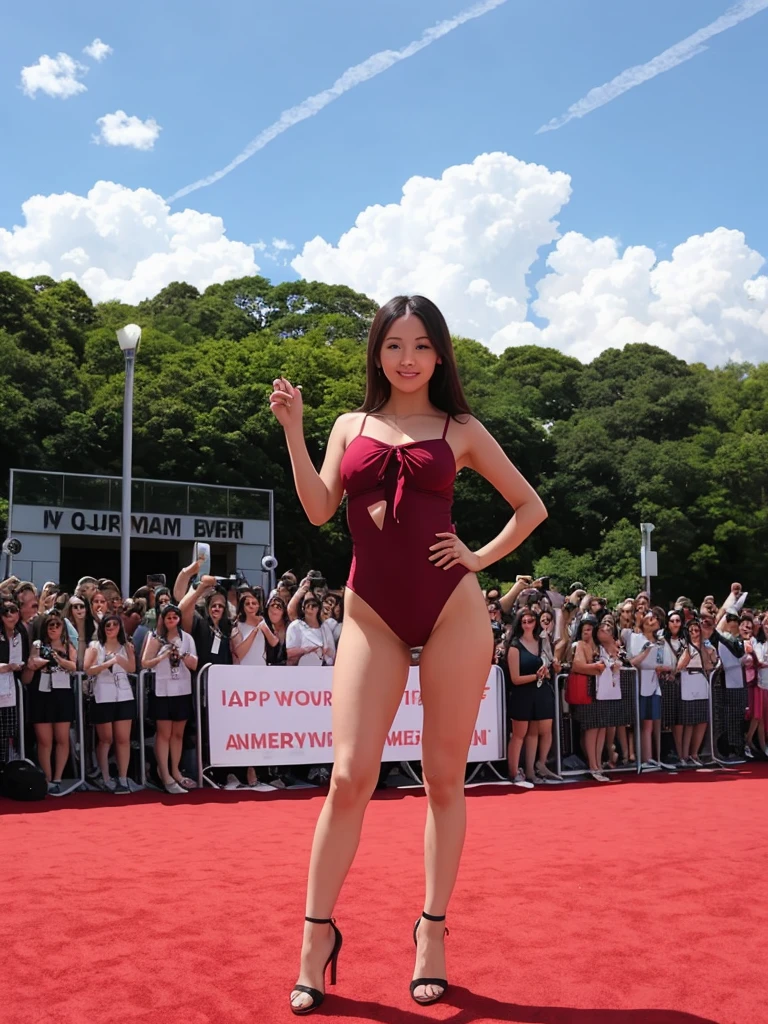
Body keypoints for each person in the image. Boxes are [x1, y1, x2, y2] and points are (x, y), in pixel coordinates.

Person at [270, 294, 546, 1013]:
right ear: (377, 353)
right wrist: (296, 434)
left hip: (453, 608)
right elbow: (320, 509)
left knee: (443, 779)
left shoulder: (461, 427)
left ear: (440, 354)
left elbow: (531, 506)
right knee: (349, 776)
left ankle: (432, 930)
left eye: (422, 345)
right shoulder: (348, 424)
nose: (408, 358)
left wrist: (478, 555)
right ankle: (315, 938)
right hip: (370, 613)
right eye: (394, 344)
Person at [142, 604, 198, 794]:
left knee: (178, 734)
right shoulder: (155, 637)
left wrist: (181, 655)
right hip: (162, 690)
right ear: (162, 619)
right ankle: (164, 774)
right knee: (164, 734)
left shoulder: (187, 638)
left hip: (182, 689)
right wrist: (163, 654)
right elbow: (145, 662)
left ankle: (175, 771)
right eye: (168, 617)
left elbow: (195, 664)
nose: (172, 620)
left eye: (175, 617)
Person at [22, 610, 78, 793]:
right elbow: (30, 669)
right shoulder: (38, 645)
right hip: (42, 694)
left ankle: (58, 777)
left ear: (63, 628)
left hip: (62, 694)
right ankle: (46, 777)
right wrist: (37, 662)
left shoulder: (68, 646)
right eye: (50, 625)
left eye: (57, 625)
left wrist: (56, 657)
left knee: (62, 738)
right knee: (44, 740)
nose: (53, 628)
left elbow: (73, 666)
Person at [504, 609, 558, 787]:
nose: (527, 624)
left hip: (540, 692)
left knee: (535, 733)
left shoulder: (542, 642)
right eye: (524, 621)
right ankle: (513, 772)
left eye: (530, 621)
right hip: (522, 694)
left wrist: (548, 672)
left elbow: (549, 664)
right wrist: (537, 676)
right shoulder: (514, 646)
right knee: (519, 735)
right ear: (519, 624)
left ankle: (531, 771)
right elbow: (515, 678)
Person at [83, 614, 137, 794]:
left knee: (123, 739)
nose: (111, 627)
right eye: (108, 624)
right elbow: (87, 669)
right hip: (102, 694)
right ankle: (105, 777)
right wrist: (107, 663)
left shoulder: (126, 646)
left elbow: (132, 668)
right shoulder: (95, 647)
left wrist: (119, 660)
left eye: (115, 624)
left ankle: (123, 777)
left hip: (123, 694)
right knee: (106, 739)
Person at [570, 615, 610, 782]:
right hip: (587, 690)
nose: (588, 631)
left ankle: (598, 764)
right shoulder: (580, 645)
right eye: (584, 628)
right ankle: (592, 765)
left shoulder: (601, 646)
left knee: (601, 727)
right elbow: (577, 665)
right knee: (591, 728)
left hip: (602, 690)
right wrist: (595, 668)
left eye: (591, 628)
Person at [675, 619, 716, 766]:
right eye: (691, 630)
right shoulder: (685, 646)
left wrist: (705, 651)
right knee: (689, 720)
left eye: (696, 630)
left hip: (701, 679)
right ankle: (684, 755)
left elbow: (711, 664)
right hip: (688, 679)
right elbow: (679, 666)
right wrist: (688, 653)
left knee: (702, 720)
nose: (694, 633)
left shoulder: (706, 645)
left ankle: (694, 753)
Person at [0, 598, 29, 762]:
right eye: (6, 613)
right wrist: (5, 666)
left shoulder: (21, 632)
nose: (11, 616)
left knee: (9, 731)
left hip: (13, 687)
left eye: (14, 611)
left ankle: (8, 765)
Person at [286, 594, 337, 667]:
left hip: (323, 669)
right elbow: (289, 653)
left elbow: (332, 654)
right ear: (303, 608)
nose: (310, 607)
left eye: (314, 605)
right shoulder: (295, 626)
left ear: (319, 609)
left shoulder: (325, 628)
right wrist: (308, 650)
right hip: (299, 669)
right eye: (307, 605)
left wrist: (324, 651)